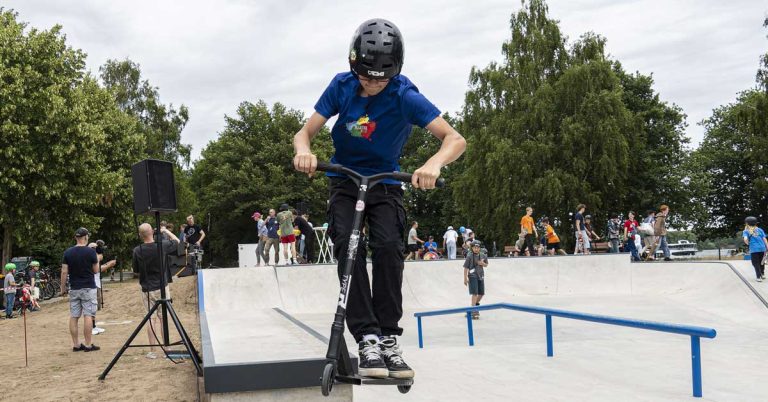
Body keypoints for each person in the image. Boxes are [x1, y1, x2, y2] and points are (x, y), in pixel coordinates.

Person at [292, 18, 466, 380]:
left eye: (380, 79)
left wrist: (433, 163)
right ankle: (366, 336)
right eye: (366, 77)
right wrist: (304, 152)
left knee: (388, 246)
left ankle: (388, 337)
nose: (372, 85)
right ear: (354, 66)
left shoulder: (404, 95)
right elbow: (304, 133)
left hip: (386, 180)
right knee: (348, 244)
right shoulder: (341, 87)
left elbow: (455, 139)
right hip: (344, 179)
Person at [132, 223, 180, 359]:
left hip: (147, 288)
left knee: (150, 319)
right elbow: (178, 242)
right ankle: (167, 347)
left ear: (141, 235)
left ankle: (152, 350)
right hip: (162, 287)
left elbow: (135, 271)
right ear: (152, 232)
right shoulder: (162, 245)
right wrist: (166, 231)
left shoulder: (137, 250)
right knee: (163, 317)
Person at [60, 227, 100, 352]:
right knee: (88, 315)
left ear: (76, 237)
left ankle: (76, 344)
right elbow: (96, 270)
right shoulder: (91, 252)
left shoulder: (68, 252)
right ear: (86, 237)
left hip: (74, 287)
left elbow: (64, 271)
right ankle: (88, 344)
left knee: (74, 316)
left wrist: (63, 287)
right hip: (88, 286)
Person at [89, 241, 116, 335]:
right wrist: (109, 265)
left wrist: (107, 264)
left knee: (95, 306)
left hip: (95, 284)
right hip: (93, 284)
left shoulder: (94, 257)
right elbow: (95, 270)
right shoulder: (93, 257)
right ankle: (91, 327)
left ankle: (93, 326)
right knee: (92, 307)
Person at [463, 241, 488, 320]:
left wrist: (482, 264)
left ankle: (473, 307)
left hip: (481, 275)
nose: (476, 249)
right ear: (472, 248)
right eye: (475, 248)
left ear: (479, 248)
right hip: (472, 276)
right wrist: (465, 278)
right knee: (475, 293)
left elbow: (486, 264)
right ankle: (474, 310)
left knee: (481, 293)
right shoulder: (469, 256)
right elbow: (466, 267)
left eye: (477, 248)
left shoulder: (483, 255)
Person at [743, 216, 767, 282]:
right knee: (762, 262)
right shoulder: (760, 230)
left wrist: (748, 243)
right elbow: (764, 239)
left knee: (755, 263)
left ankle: (758, 277)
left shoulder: (746, 231)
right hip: (762, 248)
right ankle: (762, 273)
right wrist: (767, 247)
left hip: (754, 249)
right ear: (755, 223)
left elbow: (745, 239)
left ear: (747, 223)